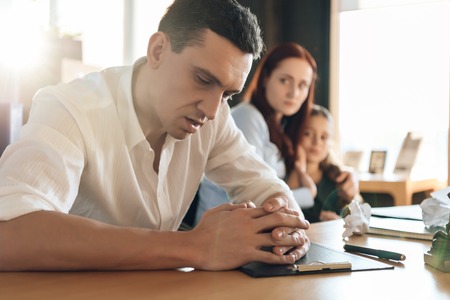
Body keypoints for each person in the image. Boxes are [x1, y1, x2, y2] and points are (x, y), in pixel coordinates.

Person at [0, 0, 310, 271]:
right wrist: (195, 246)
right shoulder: (71, 108)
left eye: (228, 94)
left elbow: (266, 187)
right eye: (203, 79)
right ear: (158, 50)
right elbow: (10, 233)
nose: (213, 110)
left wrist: (287, 230)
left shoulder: (213, 117)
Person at [195, 43, 358, 226]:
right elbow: (252, 192)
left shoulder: (281, 126)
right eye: (284, 80)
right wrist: (307, 193)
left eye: (303, 85)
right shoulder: (248, 117)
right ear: (265, 78)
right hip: (221, 230)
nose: (293, 93)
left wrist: (344, 173)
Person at [292, 104, 361, 223]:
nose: (316, 142)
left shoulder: (336, 178)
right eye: (307, 133)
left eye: (323, 137)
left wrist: (339, 221)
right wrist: (299, 169)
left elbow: (357, 219)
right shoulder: (283, 174)